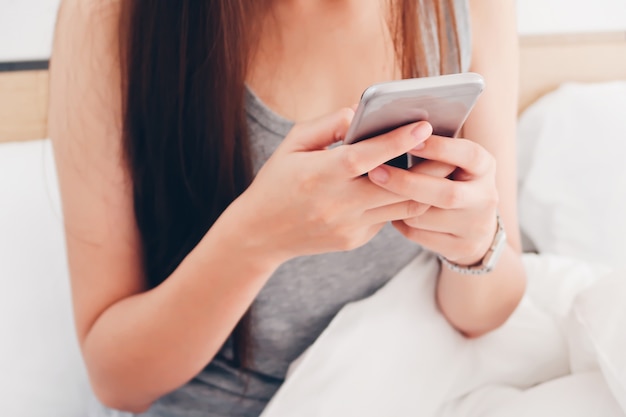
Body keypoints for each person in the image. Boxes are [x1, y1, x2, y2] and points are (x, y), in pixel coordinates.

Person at [49, 0, 525, 416]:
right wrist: (253, 241)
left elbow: (487, 310)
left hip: (399, 387)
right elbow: (118, 382)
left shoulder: (469, 7)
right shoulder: (110, 16)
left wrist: (475, 245)